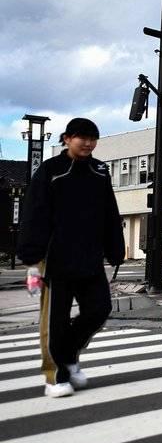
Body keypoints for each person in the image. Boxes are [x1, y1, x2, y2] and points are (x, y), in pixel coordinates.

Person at [16, 117, 125, 398]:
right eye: (82, 138)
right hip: (56, 259)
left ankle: (68, 354)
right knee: (55, 321)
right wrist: (32, 257)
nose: (88, 143)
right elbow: (34, 213)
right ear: (67, 139)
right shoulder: (50, 170)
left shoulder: (100, 171)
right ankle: (55, 375)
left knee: (99, 309)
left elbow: (110, 212)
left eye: (93, 139)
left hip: (90, 257)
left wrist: (115, 248)